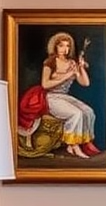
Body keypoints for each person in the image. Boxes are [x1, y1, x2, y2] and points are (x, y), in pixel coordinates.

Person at [17, 31, 101, 159]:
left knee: (88, 112)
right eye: (61, 46)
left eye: (67, 46)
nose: (65, 49)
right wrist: (67, 75)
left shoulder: (72, 63)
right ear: (55, 46)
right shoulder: (50, 62)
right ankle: (73, 145)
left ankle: (80, 144)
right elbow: (45, 84)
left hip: (64, 97)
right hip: (50, 97)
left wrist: (81, 67)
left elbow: (85, 83)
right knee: (76, 114)